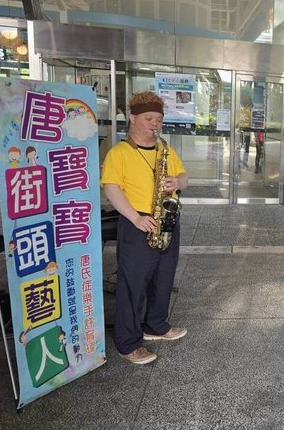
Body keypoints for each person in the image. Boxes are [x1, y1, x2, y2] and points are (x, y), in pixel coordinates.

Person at [101, 92, 189, 365]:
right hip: (137, 222)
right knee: (133, 284)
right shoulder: (120, 152)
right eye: (149, 118)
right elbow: (111, 188)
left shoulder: (166, 150)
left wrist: (178, 182)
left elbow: (184, 177)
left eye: (159, 119)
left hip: (167, 221)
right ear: (133, 117)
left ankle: (156, 325)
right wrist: (134, 218)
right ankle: (128, 343)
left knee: (164, 276)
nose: (155, 124)